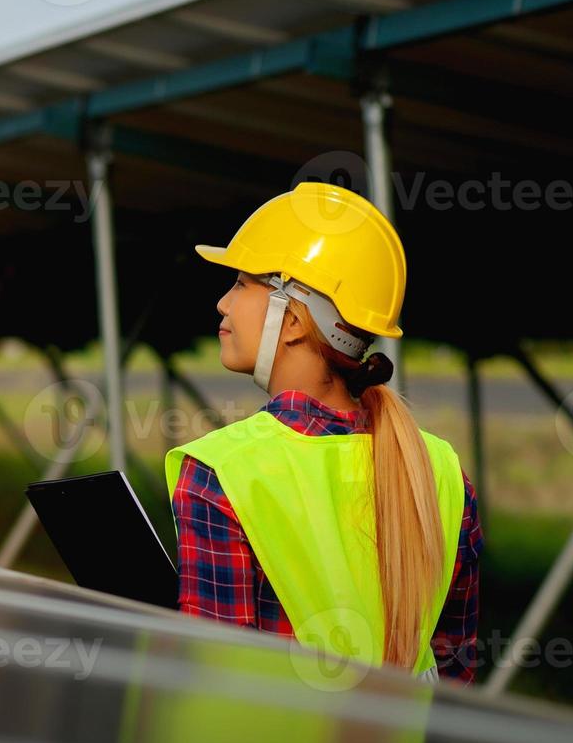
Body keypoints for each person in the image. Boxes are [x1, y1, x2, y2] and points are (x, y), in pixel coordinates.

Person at [165, 182, 483, 683]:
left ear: (292, 319)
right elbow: (454, 670)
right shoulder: (442, 470)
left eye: (243, 283)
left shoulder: (220, 473)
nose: (222, 303)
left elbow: (213, 684)